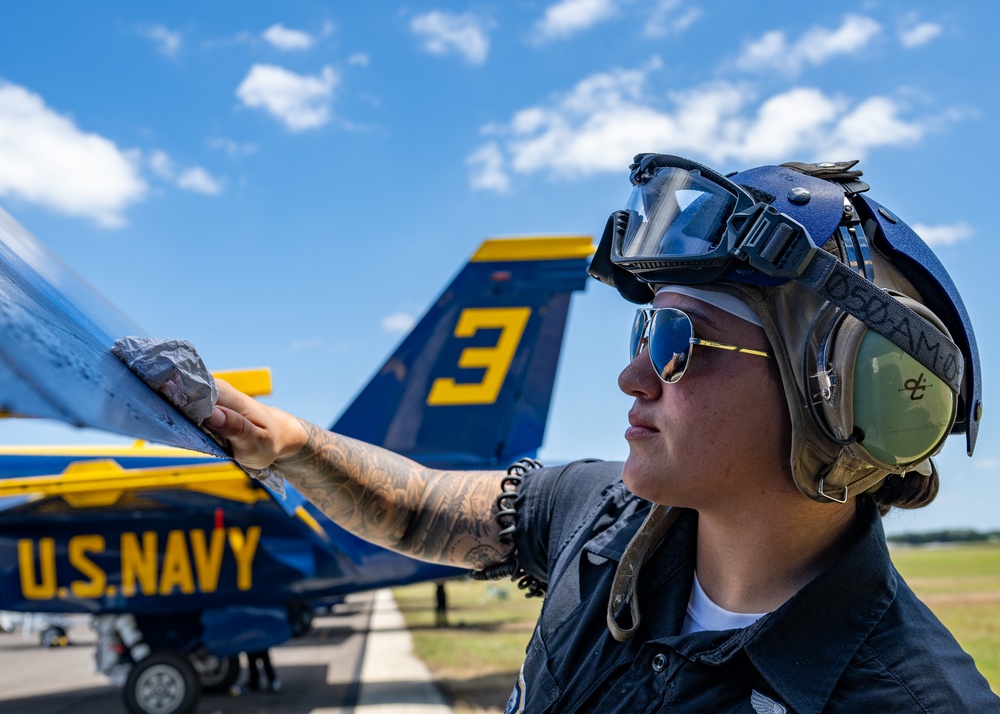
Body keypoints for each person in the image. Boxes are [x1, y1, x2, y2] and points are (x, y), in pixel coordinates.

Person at [204, 154, 999, 712]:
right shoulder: (599, 516)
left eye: (678, 342)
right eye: (643, 332)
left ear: (846, 395)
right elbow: (417, 510)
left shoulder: (912, 701)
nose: (632, 376)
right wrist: (290, 443)